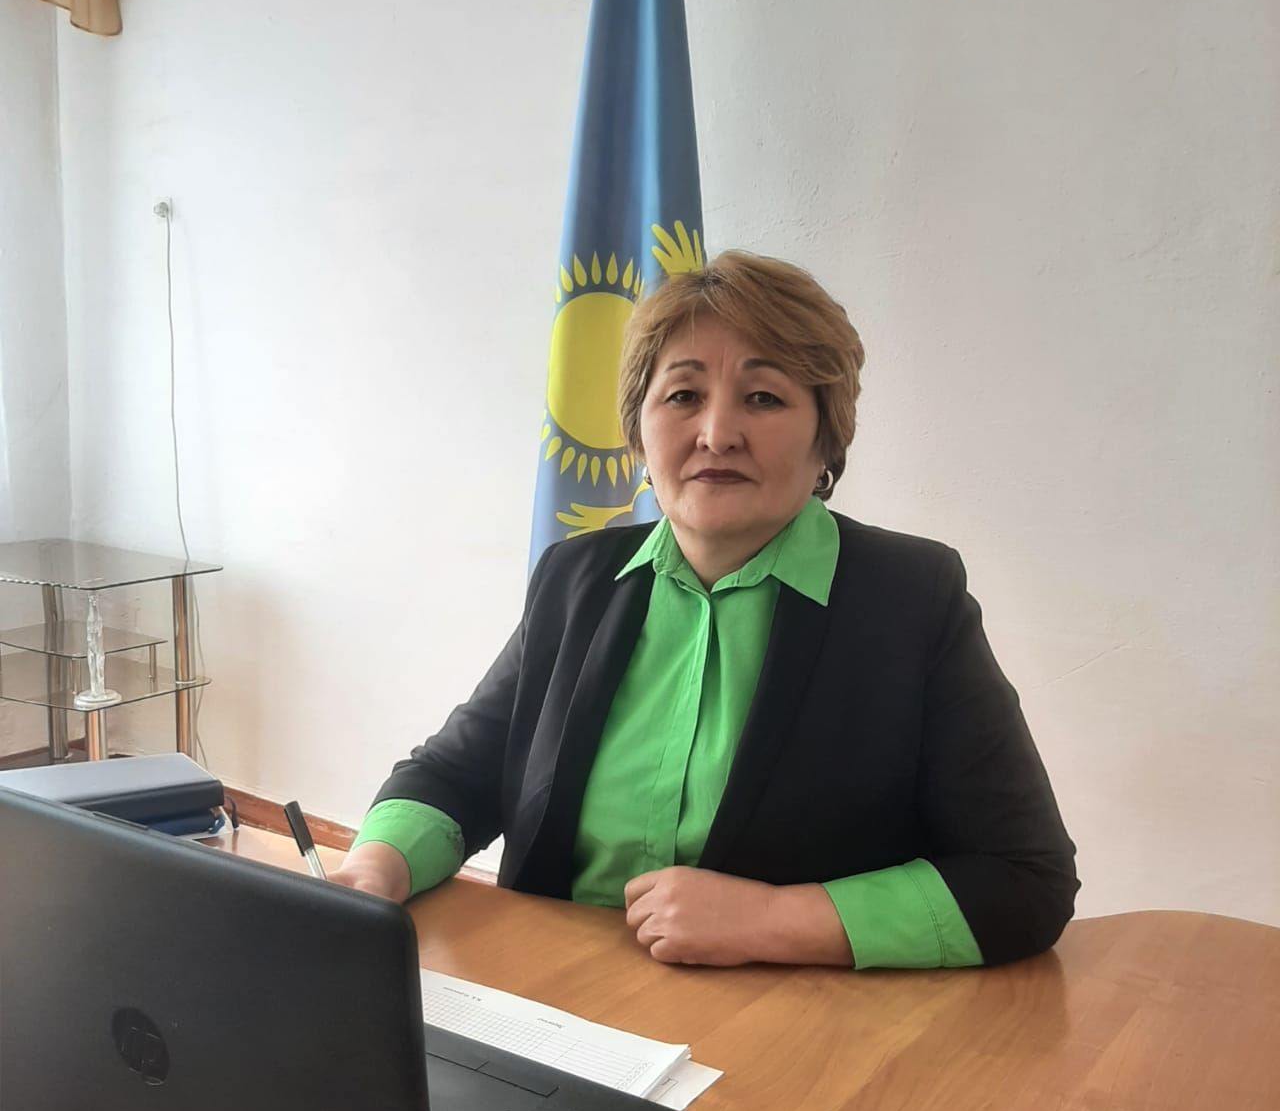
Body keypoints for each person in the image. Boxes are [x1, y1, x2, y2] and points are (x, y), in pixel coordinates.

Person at [333, 251, 1078, 969]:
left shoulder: (910, 599)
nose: (717, 435)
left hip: (792, 1022)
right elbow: (455, 776)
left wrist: (774, 919)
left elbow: (1024, 878)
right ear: (639, 429)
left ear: (828, 435)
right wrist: (375, 867)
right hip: (559, 1003)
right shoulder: (577, 578)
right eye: (683, 396)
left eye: (764, 398)